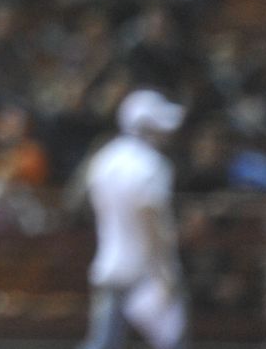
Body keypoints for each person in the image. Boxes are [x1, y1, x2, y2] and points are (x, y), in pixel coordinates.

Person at [77, 90, 188, 349]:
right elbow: (150, 219)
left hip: (110, 266)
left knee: (103, 343)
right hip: (144, 274)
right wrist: (165, 271)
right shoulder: (151, 165)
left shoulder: (104, 159)